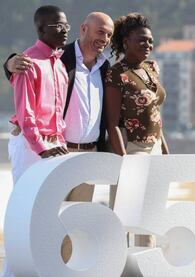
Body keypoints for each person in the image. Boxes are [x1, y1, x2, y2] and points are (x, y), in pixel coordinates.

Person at [4, 11, 114, 264]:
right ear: (84, 29)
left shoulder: (105, 66)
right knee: (39, 214)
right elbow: (27, 67)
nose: (105, 39)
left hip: (85, 155)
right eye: (100, 32)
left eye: (109, 35)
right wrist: (10, 63)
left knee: (75, 225)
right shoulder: (59, 56)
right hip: (52, 150)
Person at [1, 5, 70, 277]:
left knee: (46, 215)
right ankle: (11, 272)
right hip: (32, 147)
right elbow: (26, 113)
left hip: (54, 147)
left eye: (66, 24)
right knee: (24, 212)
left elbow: (58, 113)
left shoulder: (61, 65)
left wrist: (58, 143)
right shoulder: (27, 62)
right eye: (57, 25)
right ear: (41, 29)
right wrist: (42, 148)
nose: (64, 29)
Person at [105, 12, 169, 246]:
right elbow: (111, 123)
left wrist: (163, 148)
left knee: (149, 215)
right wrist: (123, 161)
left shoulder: (152, 68)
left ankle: (145, 264)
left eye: (150, 40)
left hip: (153, 147)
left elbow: (155, 113)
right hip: (132, 148)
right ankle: (114, 264)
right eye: (141, 40)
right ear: (126, 42)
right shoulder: (116, 74)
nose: (148, 44)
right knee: (123, 213)